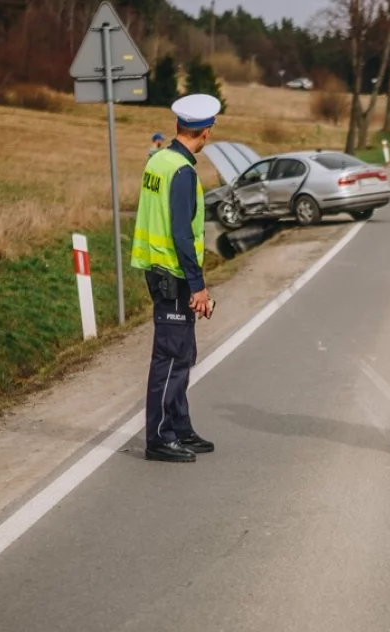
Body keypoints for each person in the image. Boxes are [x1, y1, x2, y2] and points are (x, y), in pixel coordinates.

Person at [131, 94, 221, 463]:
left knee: (182, 353)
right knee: (171, 357)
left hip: (159, 269)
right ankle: (159, 437)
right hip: (173, 274)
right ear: (204, 132)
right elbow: (183, 233)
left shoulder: (159, 161)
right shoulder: (182, 172)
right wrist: (198, 285)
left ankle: (180, 426)